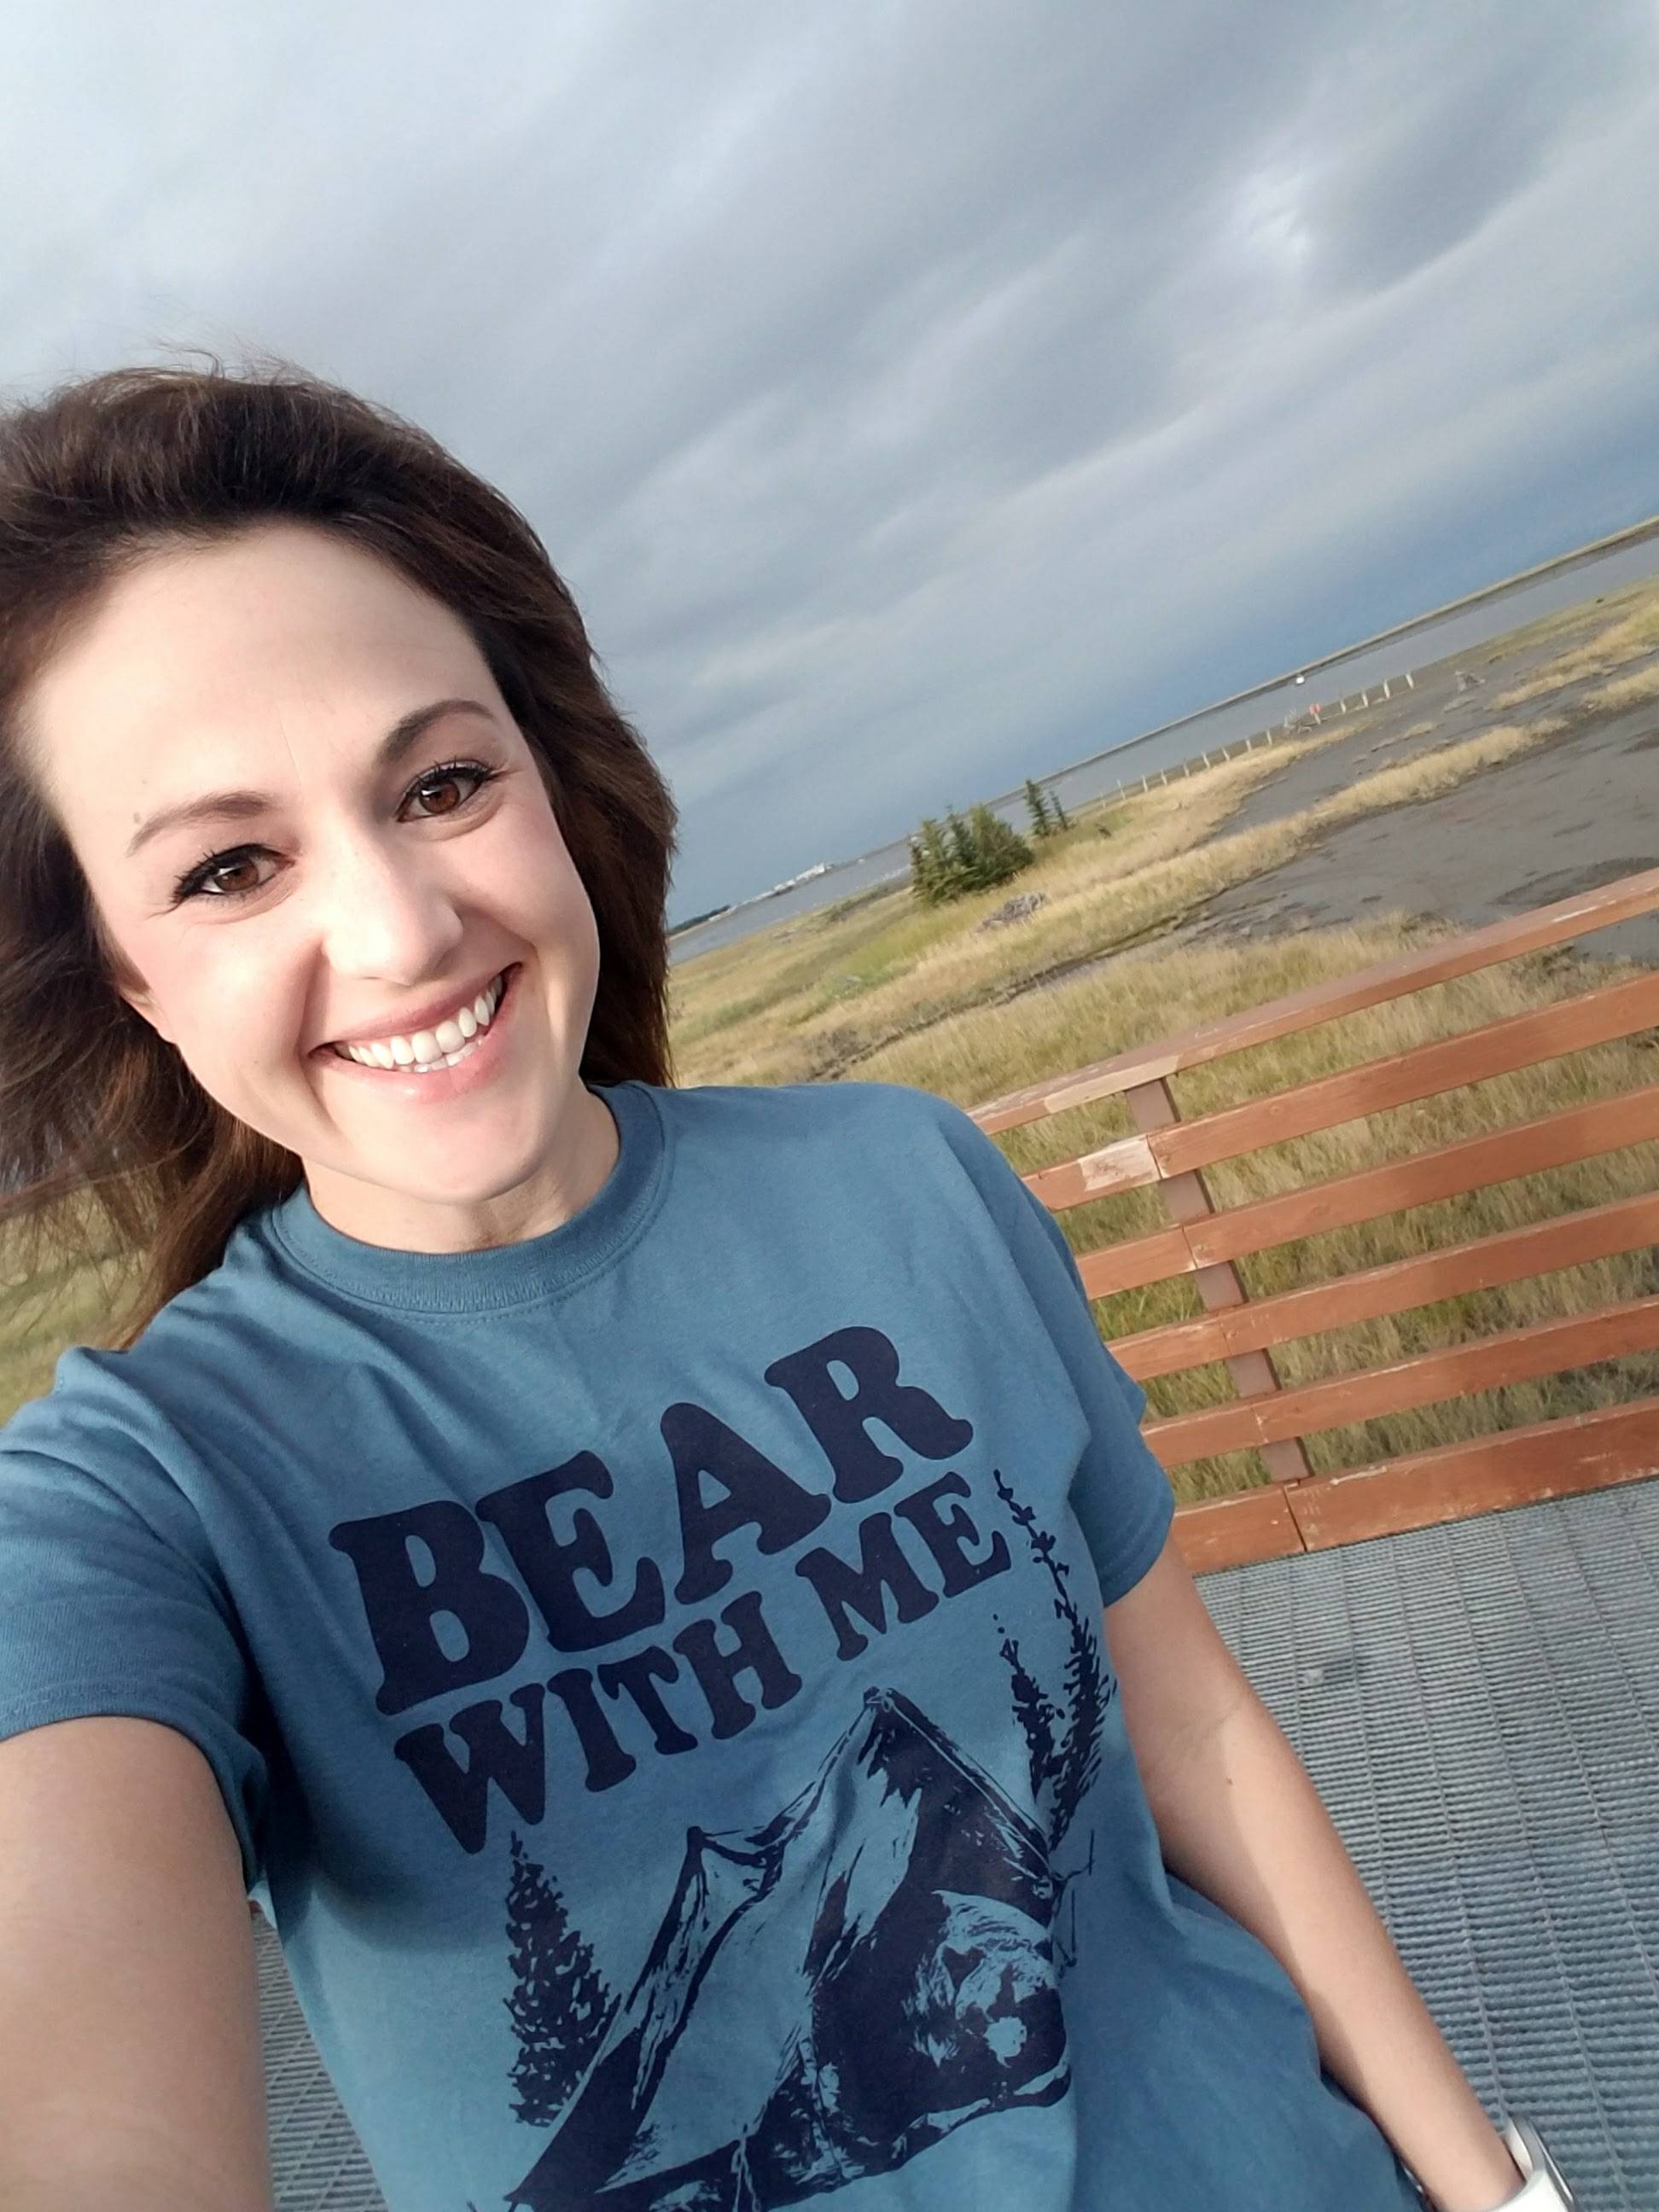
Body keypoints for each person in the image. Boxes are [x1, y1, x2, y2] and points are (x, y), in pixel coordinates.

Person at [0, 365, 1567, 2212]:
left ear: (551, 781)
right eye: (229, 867)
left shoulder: (902, 1179)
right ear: (127, 976)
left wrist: (1491, 2191)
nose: (403, 930)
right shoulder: (147, 1498)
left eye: (442, 782)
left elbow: (1194, 1730)